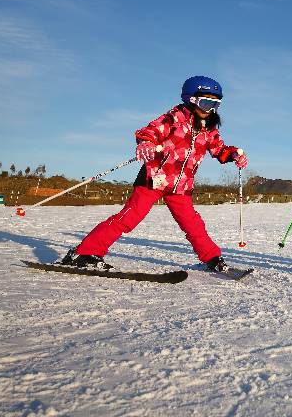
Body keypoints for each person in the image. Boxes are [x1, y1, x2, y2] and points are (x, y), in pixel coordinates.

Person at [59, 76, 249, 274]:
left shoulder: (208, 129)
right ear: (191, 99)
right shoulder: (173, 118)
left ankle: (211, 258)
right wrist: (146, 143)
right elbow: (149, 132)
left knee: (194, 225)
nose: (210, 109)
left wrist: (233, 154)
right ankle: (85, 253)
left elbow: (219, 150)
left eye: (215, 104)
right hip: (154, 179)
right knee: (128, 218)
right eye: (206, 102)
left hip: (181, 186)